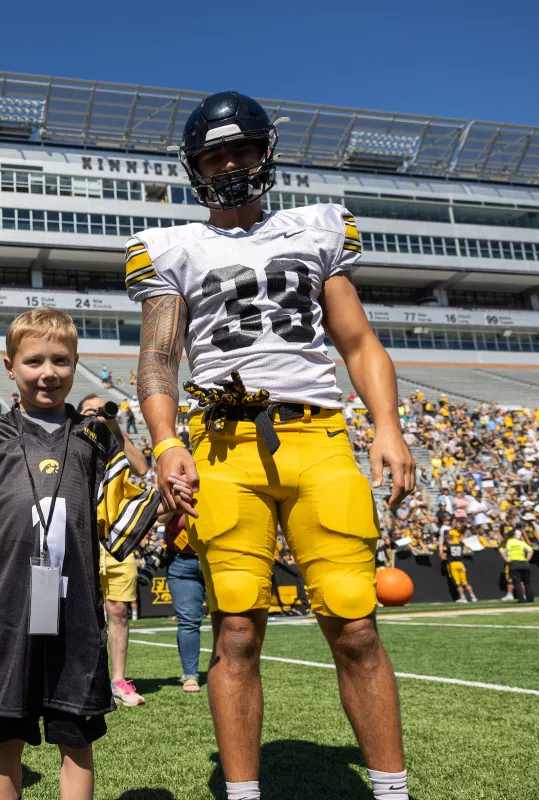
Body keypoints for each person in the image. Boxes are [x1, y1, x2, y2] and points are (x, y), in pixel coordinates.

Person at [129, 92, 415, 800]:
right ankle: (244, 794)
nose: (230, 164)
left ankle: (390, 789)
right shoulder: (172, 248)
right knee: (235, 629)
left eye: (241, 150)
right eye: (214, 155)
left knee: (353, 624)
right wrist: (165, 442)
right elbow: (158, 358)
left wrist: (387, 425)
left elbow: (356, 339)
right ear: (194, 168)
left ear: (265, 152)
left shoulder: (316, 229)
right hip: (224, 446)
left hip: (315, 436)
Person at [0, 308, 167, 800]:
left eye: (61, 361)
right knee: (6, 735)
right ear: (9, 366)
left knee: (76, 735)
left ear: (76, 362)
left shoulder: (94, 438)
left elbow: (127, 515)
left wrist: (168, 494)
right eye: (34, 360)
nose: (48, 372)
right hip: (7, 610)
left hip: (76, 610)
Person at [78, 394, 148, 707]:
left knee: (118, 610)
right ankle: (82, 679)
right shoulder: (72, 440)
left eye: (100, 409)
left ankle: (118, 680)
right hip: (81, 536)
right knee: (81, 613)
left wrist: (115, 427)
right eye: (88, 411)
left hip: (116, 539)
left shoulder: (116, 440)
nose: (96, 414)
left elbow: (142, 468)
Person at [164, 518, 206, 692]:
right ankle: (190, 675)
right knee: (188, 620)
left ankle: (230, 669)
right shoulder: (173, 489)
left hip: (219, 555)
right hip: (181, 561)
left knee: (230, 618)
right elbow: (159, 518)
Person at [440, 529, 476, 603]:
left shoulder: (447, 546)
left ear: (447, 540)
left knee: (457, 583)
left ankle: (463, 598)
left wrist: (441, 552)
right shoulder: (459, 544)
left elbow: (443, 557)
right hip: (460, 563)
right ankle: (473, 596)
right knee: (465, 582)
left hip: (453, 564)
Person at [501, 527, 534, 603]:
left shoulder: (508, 542)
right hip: (523, 562)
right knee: (527, 582)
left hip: (514, 562)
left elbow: (501, 550)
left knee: (517, 582)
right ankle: (530, 598)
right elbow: (530, 550)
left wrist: (506, 559)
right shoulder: (520, 542)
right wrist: (527, 559)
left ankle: (521, 599)